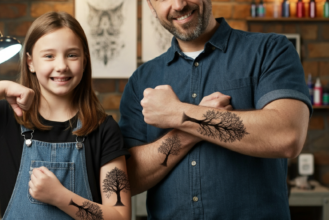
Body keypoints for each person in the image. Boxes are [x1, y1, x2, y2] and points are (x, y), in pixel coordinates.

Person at [119, 0, 311, 219]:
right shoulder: (141, 80)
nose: (179, 4)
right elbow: (126, 180)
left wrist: (178, 114)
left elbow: (287, 135)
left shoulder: (270, 50)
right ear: (151, 7)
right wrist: (187, 130)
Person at [0, 12, 131, 220]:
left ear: (84, 60)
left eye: (72, 55)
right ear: (30, 62)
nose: (61, 66)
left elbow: (120, 216)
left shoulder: (104, 129)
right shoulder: (6, 117)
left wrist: (60, 197)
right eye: (49, 56)